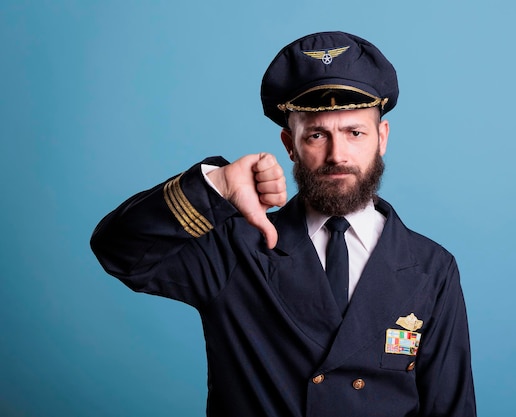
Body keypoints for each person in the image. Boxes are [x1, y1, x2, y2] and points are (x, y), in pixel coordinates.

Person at [91, 31, 476, 417]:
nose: (336, 154)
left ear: (382, 137)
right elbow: (119, 252)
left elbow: (451, 408)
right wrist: (215, 186)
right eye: (316, 135)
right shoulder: (236, 246)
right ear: (289, 144)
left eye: (354, 133)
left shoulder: (431, 268)